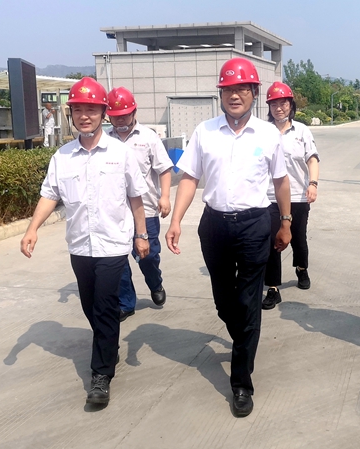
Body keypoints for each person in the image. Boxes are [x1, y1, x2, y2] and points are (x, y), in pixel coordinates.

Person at [165, 57, 292, 418]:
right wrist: (176, 220)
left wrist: (286, 221)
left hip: (254, 225)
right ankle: (245, 338)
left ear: (254, 93)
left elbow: (281, 181)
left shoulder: (268, 135)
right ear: (220, 94)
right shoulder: (205, 132)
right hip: (215, 226)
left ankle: (241, 383)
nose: (235, 96)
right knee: (225, 302)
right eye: (228, 90)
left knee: (249, 301)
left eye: (242, 89)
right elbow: (189, 178)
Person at [20, 77, 150, 406]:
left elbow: (136, 197)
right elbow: (50, 195)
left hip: (113, 244)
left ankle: (101, 375)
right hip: (79, 245)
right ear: (71, 115)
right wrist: (32, 228)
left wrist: (141, 234)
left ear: (103, 114)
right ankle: (108, 342)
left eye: (91, 110)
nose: (84, 116)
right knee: (91, 307)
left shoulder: (120, 153)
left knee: (105, 306)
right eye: (78, 110)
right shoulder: (63, 157)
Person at [106, 87, 173, 322]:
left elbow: (164, 169)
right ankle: (126, 302)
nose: (120, 120)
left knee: (148, 256)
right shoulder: (104, 140)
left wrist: (165, 196)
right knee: (118, 260)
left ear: (134, 112)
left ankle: (155, 283)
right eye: (115, 116)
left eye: (124, 115)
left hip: (146, 210)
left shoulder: (148, 138)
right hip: (115, 212)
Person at [262, 81, 320, 310]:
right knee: (271, 242)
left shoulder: (302, 131)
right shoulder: (263, 132)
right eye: (274, 104)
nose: (279, 108)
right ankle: (273, 288)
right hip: (269, 196)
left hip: (297, 195)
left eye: (283, 103)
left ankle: (301, 268)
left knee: (298, 239)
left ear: (291, 105)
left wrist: (313, 184)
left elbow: (312, 159)